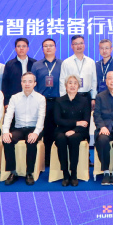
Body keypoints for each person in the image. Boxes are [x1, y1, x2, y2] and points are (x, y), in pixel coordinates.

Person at [1, 72, 46, 185]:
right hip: (19, 128)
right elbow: (8, 116)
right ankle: (13, 172)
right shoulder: (14, 98)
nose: (27, 84)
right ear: (21, 83)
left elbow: (41, 118)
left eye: (30, 81)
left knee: (31, 141)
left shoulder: (40, 98)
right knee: (7, 140)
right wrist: (5, 132)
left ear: (35, 83)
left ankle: (29, 172)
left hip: (34, 128)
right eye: (24, 81)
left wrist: (36, 133)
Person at [53, 75, 91, 186]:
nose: (72, 85)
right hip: (62, 130)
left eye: (75, 83)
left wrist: (75, 129)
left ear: (78, 86)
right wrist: (76, 123)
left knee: (74, 139)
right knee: (61, 139)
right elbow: (57, 120)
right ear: (65, 86)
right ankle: (65, 173)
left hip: (79, 131)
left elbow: (86, 121)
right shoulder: (59, 101)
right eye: (70, 83)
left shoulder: (84, 101)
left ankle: (73, 173)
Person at [33, 38, 63, 166]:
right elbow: (33, 84)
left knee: (59, 130)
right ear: (42, 49)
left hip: (59, 101)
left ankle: (59, 158)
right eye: (46, 46)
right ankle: (46, 159)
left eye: (51, 45)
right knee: (46, 131)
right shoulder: (36, 65)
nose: (48, 48)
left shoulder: (63, 64)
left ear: (55, 48)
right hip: (42, 102)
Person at [60, 35, 97, 107]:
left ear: (84, 45)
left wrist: (93, 97)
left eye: (81, 43)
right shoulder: (66, 62)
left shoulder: (91, 62)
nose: (79, 46)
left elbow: (94, 81)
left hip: (87, 96)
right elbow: (62, 81)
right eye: (76, 44)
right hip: (71, 97)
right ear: (72, 46)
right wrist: (63, 98)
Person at [2, 38, 37, 106]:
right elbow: (5, 84)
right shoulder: (9, 64)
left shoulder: (34, 63)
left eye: (24, 46)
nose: (21, 48)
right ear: (15, 49)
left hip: (32, 99)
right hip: (14, 100)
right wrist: (6, 102)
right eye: (19, 46)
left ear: (28, 48)